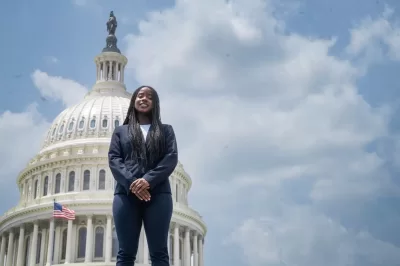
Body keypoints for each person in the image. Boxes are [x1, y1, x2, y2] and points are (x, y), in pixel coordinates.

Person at [108, 85, 178, 266]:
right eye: (140, 95)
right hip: (126, 195)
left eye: (149, 96)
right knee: (125, 253)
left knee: (159, 252)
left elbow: (170, 158)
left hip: (158, 194)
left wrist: (147, 180)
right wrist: (132, 183)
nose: (144, 99)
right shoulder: (120, 131)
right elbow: (114, 160)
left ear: (155, 103)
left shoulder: (166, 130)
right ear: (134, 101)